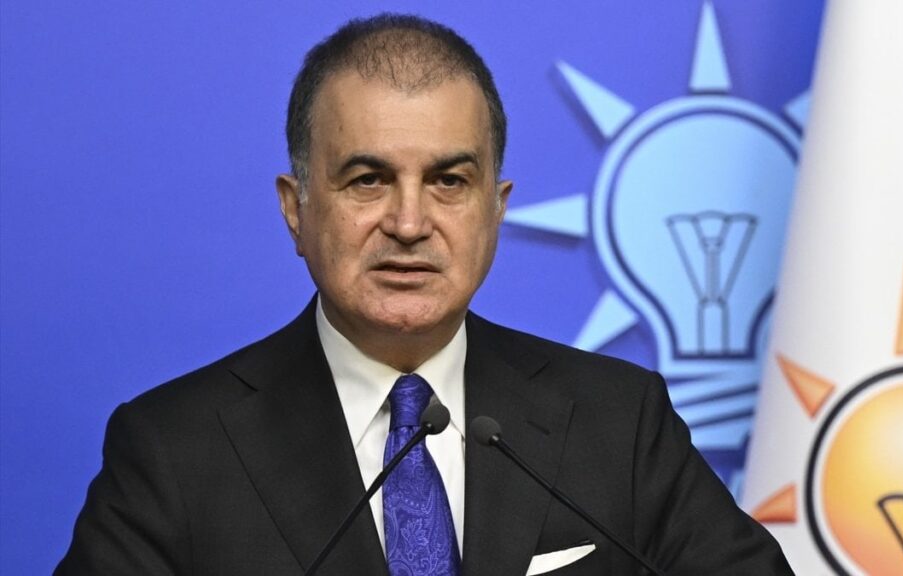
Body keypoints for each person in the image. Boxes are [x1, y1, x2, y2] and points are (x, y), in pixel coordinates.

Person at [56, 13, 792, 575]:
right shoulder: (174, 449)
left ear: (496, 209)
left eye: (449, 181)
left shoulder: (621, 424)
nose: (409, 224)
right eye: (367, 180)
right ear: (296, 208)